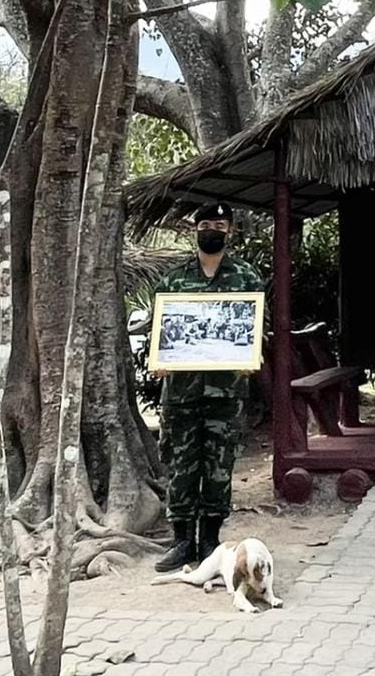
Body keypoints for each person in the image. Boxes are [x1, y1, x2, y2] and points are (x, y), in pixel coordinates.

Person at [153, 201, 264, 573]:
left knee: (219, 466)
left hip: (226, 391)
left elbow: (253, 328)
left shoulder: (246, 278)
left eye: (219, 224)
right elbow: (161, 332)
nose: (211, 229)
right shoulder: (173, 280)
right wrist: (159, 359)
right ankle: (182, 540)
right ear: (194, 229)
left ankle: (211, 542)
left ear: (230, 230)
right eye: (205, 224)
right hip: (181, 392)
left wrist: (252, 354)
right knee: (181, 464)